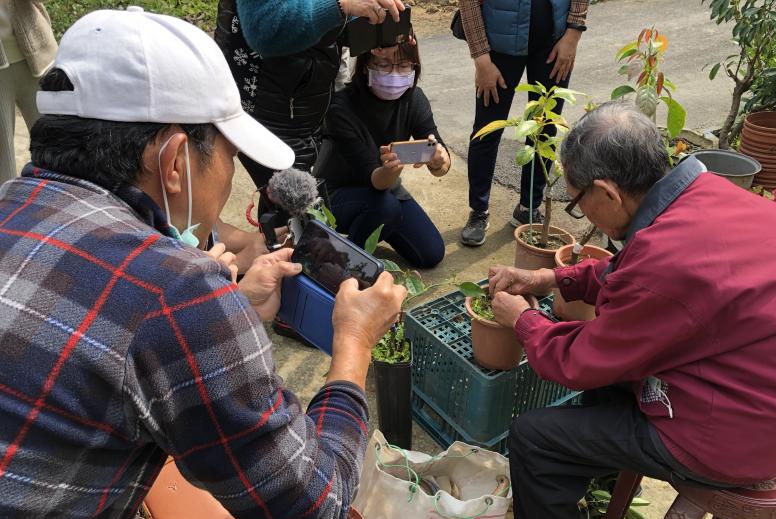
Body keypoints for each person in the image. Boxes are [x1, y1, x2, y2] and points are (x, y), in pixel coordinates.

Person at [0, 8, 406, 519]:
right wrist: (353, 345)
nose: (227, 183)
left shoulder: (12, 202)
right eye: (226, 156)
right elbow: (313, 517)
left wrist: (229, 306)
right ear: (172, 163)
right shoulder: (177, 290)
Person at [485, 102, 776, 519]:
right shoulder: (705, 193)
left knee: (534, 438)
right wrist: (549, 276)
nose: (580, 212)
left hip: (735, 435)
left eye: (577, 201)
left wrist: (522, 319)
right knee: (608, 387)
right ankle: (595, 480)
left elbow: (577, 361)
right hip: (775, 401)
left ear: (607, 192)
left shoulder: (664, 262)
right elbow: (632, 273)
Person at [215, 0, 407, 336]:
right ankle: (289, 305)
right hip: (262, 104)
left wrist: (371, 30)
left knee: (294, 205)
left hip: (305, 101)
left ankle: (284, 292)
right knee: (291, 203)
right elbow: (265, 29)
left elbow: (329, 29)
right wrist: (342, 5)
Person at [458, 0, 588, 247]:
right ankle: (478, 210)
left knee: (544, 127)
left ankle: (529, 207)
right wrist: (481, 59)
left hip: (554, 43)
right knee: (487, 130)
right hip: (498, 47)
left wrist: (573, 34)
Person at [315, 42, 448, 268]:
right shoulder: (341, 107)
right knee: (385, 207)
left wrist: (439, 161)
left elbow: (439, 156)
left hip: (383, 190)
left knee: (431, 253)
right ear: (367, 65)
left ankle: (377, 225)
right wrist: (390, 171)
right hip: (335, 194)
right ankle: (348, 264)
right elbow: (375, 179)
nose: (394, 74)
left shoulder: (414, 99)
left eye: (404, 66)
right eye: (384, 65)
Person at [0, 0, 57, 184]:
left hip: (36, 54)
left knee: (55, 139)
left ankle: (62, 199)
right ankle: (6, 209)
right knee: (3, 154)